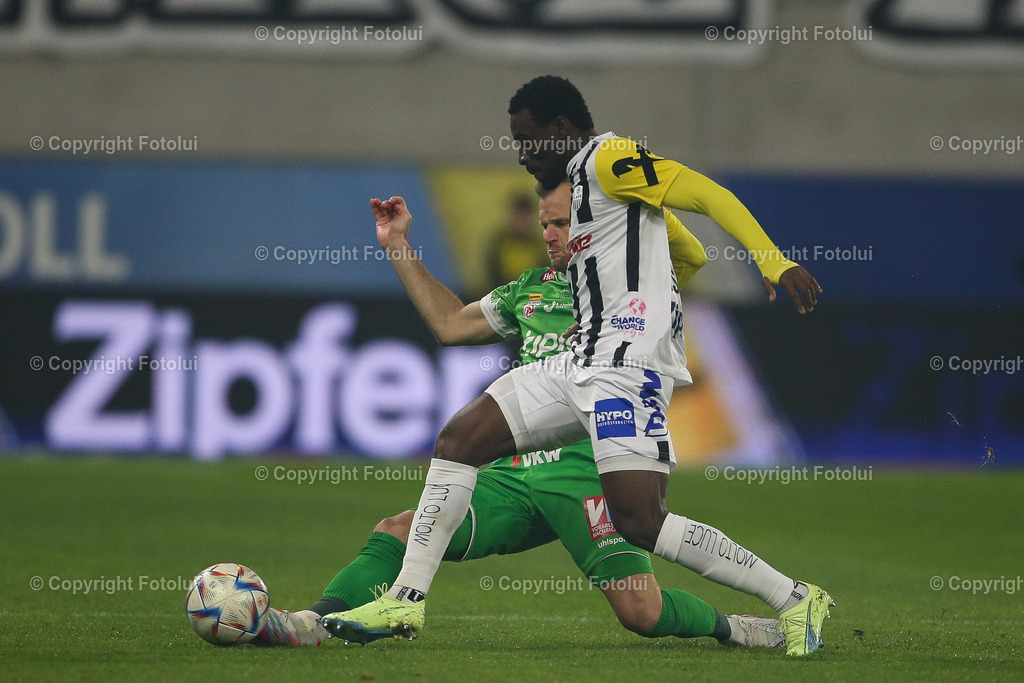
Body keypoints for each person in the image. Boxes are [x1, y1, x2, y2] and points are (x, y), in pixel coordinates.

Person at [325, 76, 832, 657]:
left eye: (528, 138)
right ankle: (405, 601)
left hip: (625, 375)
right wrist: (630, 301)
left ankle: (795, 598)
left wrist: (773, 261)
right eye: (515, 140)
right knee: (459, 438)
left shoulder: (612, 160)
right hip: (577, 364)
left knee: (641, 521)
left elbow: (706, 194)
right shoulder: (587, 211)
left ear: (562, 131)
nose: (522, 152)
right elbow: (687, 257)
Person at [258, 181, 783, 650]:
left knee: (641, 612)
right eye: (545, 225)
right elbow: (449, 325)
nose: (550, 235)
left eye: (561, 224)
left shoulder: (632, 296)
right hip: (515, 474)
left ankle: (740, 628)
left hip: (588, 476)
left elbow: (689, 257)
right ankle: (311, 624)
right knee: (399, 530)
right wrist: (397, 245)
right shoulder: (529, 289)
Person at [485, 192, 550, 290]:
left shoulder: (539, 245)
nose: (522, 222)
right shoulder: (499, 243)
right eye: (519, 216)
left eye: (526, 217)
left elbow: (544, 274)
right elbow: (492, 273)